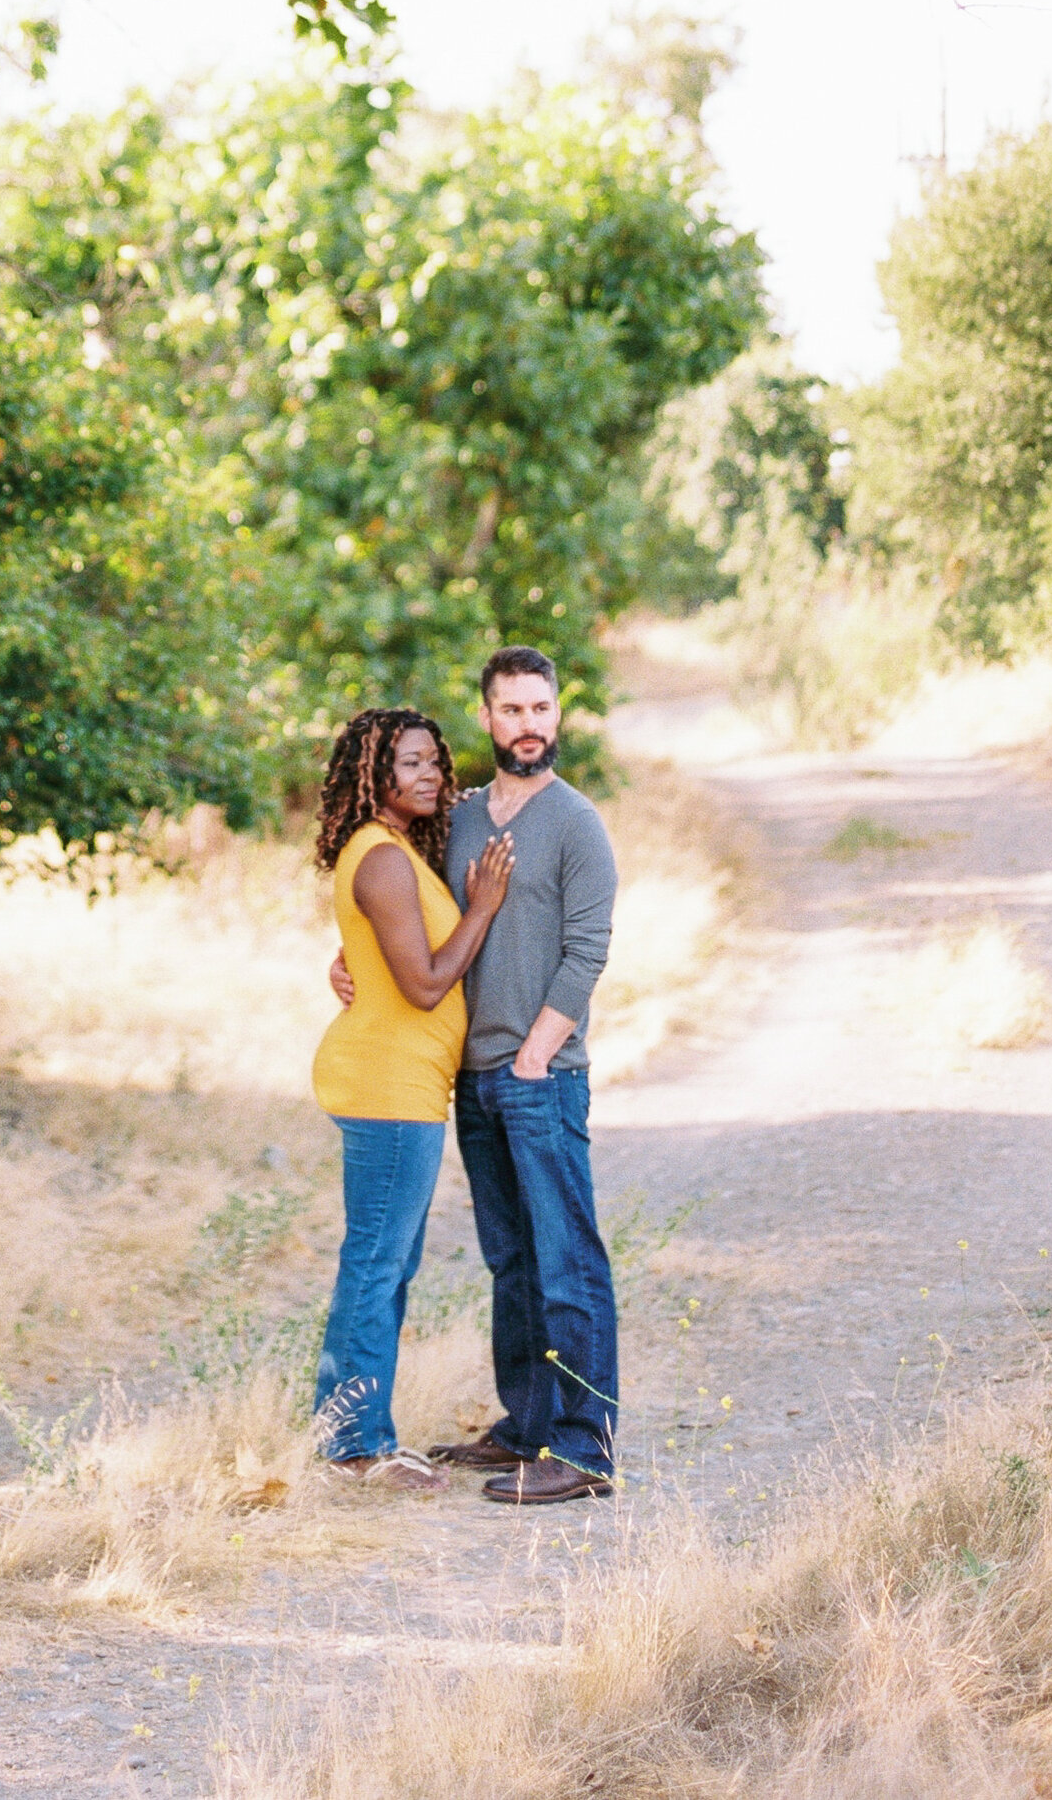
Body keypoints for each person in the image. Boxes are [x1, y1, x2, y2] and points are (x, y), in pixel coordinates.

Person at [329, 645, 621, 1505]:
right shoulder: (454, 820)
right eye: (512, 710)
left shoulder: (576, 823)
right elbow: (396, 906)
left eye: (542, 709)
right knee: (512, 1260)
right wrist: (343, 967)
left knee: (568, 1261)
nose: (528, 726)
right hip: (469, 1078)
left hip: (540, 1074)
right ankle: (527, 1426)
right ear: (487, 719)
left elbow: (587, 951)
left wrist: (538, 1049)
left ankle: (584, 1447)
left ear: (556, 715)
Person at [307, 705, 513, 1490]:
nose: (430, 775)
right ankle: (357, 1448)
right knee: (376, 1265)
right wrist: (485, 909)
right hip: (388, 1086)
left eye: (434, 761)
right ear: (373, 774)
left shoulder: (391, 853)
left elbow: (374, 954)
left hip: (406, 1085)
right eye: (411, 763)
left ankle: (354, 1435)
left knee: (383, 1264)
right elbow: (426, 985)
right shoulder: (383, 859)